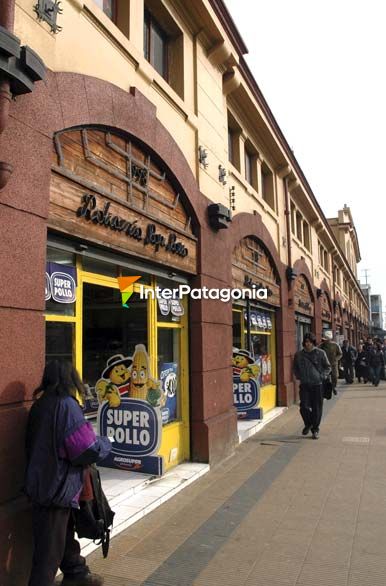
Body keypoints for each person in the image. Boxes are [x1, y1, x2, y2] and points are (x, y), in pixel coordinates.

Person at [25, 360, 112, 586]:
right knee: (48, 554)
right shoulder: (66, 405)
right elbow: (85, 449)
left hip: (43, 482)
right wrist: (105, 443)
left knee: (63, 532)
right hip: (56, 487)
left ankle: (77, 573)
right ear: (70, 378)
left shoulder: (40, 404)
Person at [294, 332, 331, 440]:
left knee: (317, 408)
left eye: (310, 342)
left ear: (313, 342)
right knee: (303, 407)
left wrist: (322, 376)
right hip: (305, 384)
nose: (307, 344)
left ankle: (315, 429)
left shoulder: (320, 353)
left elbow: (328, 367)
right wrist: (298, 376)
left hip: (317, 384)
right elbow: (295, 367)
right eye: (306, 342)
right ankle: (308, 423)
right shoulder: (299, 354)